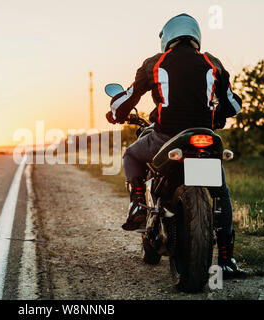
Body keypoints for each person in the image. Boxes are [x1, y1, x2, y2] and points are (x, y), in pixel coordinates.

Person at [105, 13, 245, 278]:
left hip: (165, 136)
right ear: (195, 37)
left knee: (131, 155)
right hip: (205, 138)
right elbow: (232, 105)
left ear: (167, 37)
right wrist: (219, 114)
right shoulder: (213, 63)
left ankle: (137, 205)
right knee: (221, 192)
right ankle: (226, 259)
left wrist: (116, 113)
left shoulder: (154, 63)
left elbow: (127, 97)